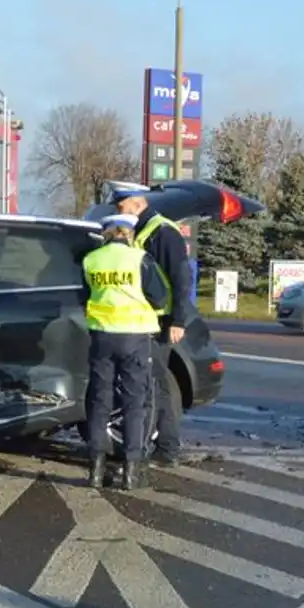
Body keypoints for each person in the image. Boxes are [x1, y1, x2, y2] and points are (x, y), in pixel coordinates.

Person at [107, 188, 195, 466]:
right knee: (153, 384)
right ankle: (164, 446)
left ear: (138, 203)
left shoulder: (162, 231)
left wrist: (178, 320)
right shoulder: (142, 230)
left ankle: (165, 449)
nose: (120, 212)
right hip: (145, 319)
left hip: (161, 320)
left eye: (122, 206)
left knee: (155, 386)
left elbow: (181, 277)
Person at [81, 212, 169, 490]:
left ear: (107, 233)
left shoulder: (91, 260)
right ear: (128, 233)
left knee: (99, 402)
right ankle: (131, 473)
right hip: (134, 337)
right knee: (134, 403)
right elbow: (160, 296)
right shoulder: (139, 259)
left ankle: (96, 470)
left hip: (101, 337)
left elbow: (84, 295)